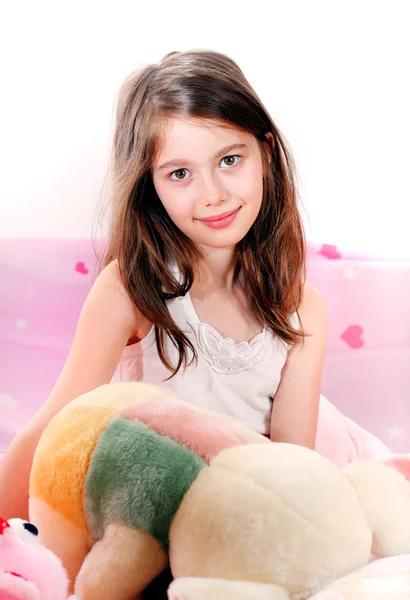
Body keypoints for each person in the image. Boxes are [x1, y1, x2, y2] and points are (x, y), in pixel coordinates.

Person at [0, 49, 326, 521]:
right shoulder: (132, 290)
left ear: (267, 154)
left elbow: (296, 468)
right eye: (179, 174)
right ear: (151, 186)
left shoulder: (301, 307)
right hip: (141, 508)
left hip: (245, 514)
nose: (212, 194)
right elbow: (55, 426)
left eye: (230, 160)